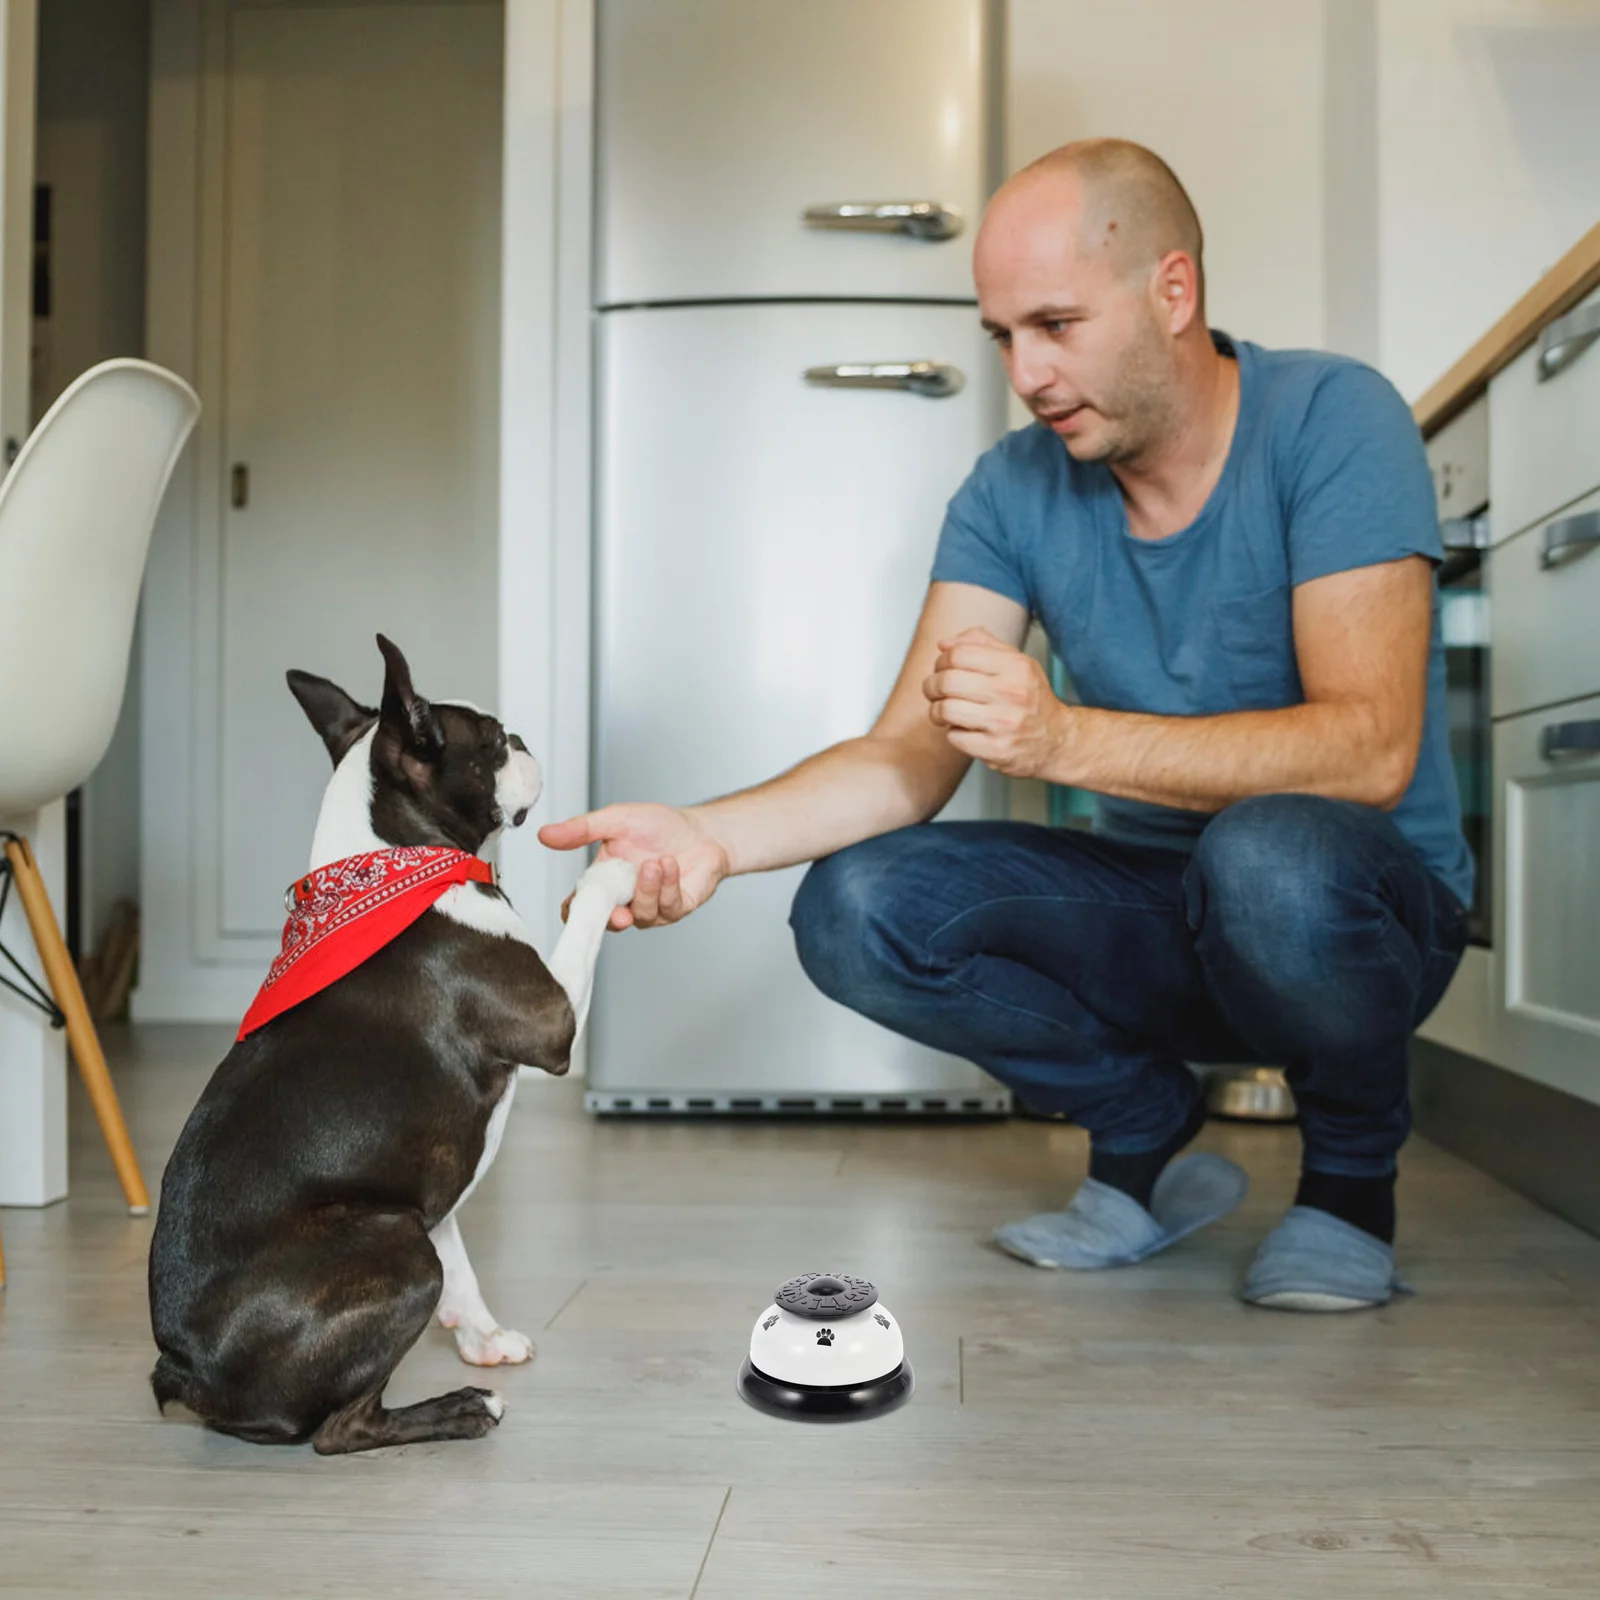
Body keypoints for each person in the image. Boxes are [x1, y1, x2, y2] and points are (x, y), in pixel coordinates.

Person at [539, 138, 1472, 1312]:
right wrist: (709, 835)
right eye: (1002, 336)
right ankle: (1145, 1126)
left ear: (1171, 291)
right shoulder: (1011, 488)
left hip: (1358, 915)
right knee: (856, 904)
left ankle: (1347, 1180)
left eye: (1056, 325)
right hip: (1166, 910)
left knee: (1267, 856)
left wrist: (1066, 739)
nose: (1026, 373)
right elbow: (903, 756)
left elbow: (1369, 749)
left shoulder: (1334, 419)